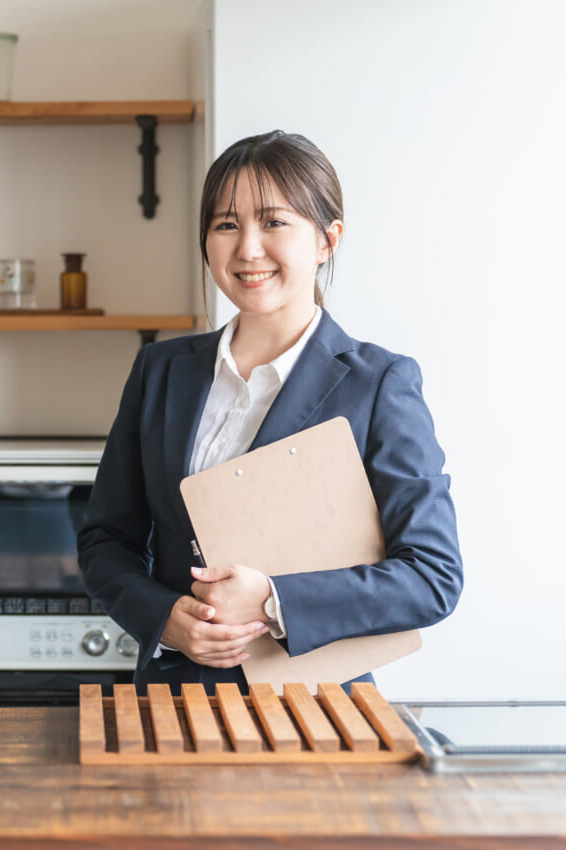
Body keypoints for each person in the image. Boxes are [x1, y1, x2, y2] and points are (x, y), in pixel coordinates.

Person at [77, 130, 462, 693]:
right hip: (174, 702)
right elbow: (106, 541)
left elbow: (431, 575)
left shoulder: (380, 384)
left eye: (274, 222)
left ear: (327, 239)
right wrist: (165, 619)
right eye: (226, 224)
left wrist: (273, 599)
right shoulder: (160, 372)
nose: (248, 248)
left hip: (321, 712)